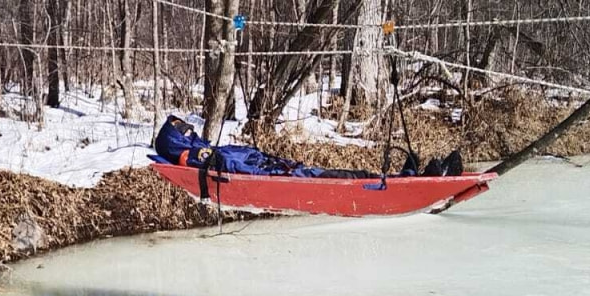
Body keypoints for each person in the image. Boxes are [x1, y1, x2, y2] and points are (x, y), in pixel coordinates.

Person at [154, 115, 464, 178]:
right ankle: (409, 180)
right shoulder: (197, 155)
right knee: (348, 178)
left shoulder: (203, 150)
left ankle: (419, 175)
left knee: (348, 175)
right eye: (185, 130)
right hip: (284, 177)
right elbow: (230, 165)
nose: (192, 132)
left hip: (287, 170)